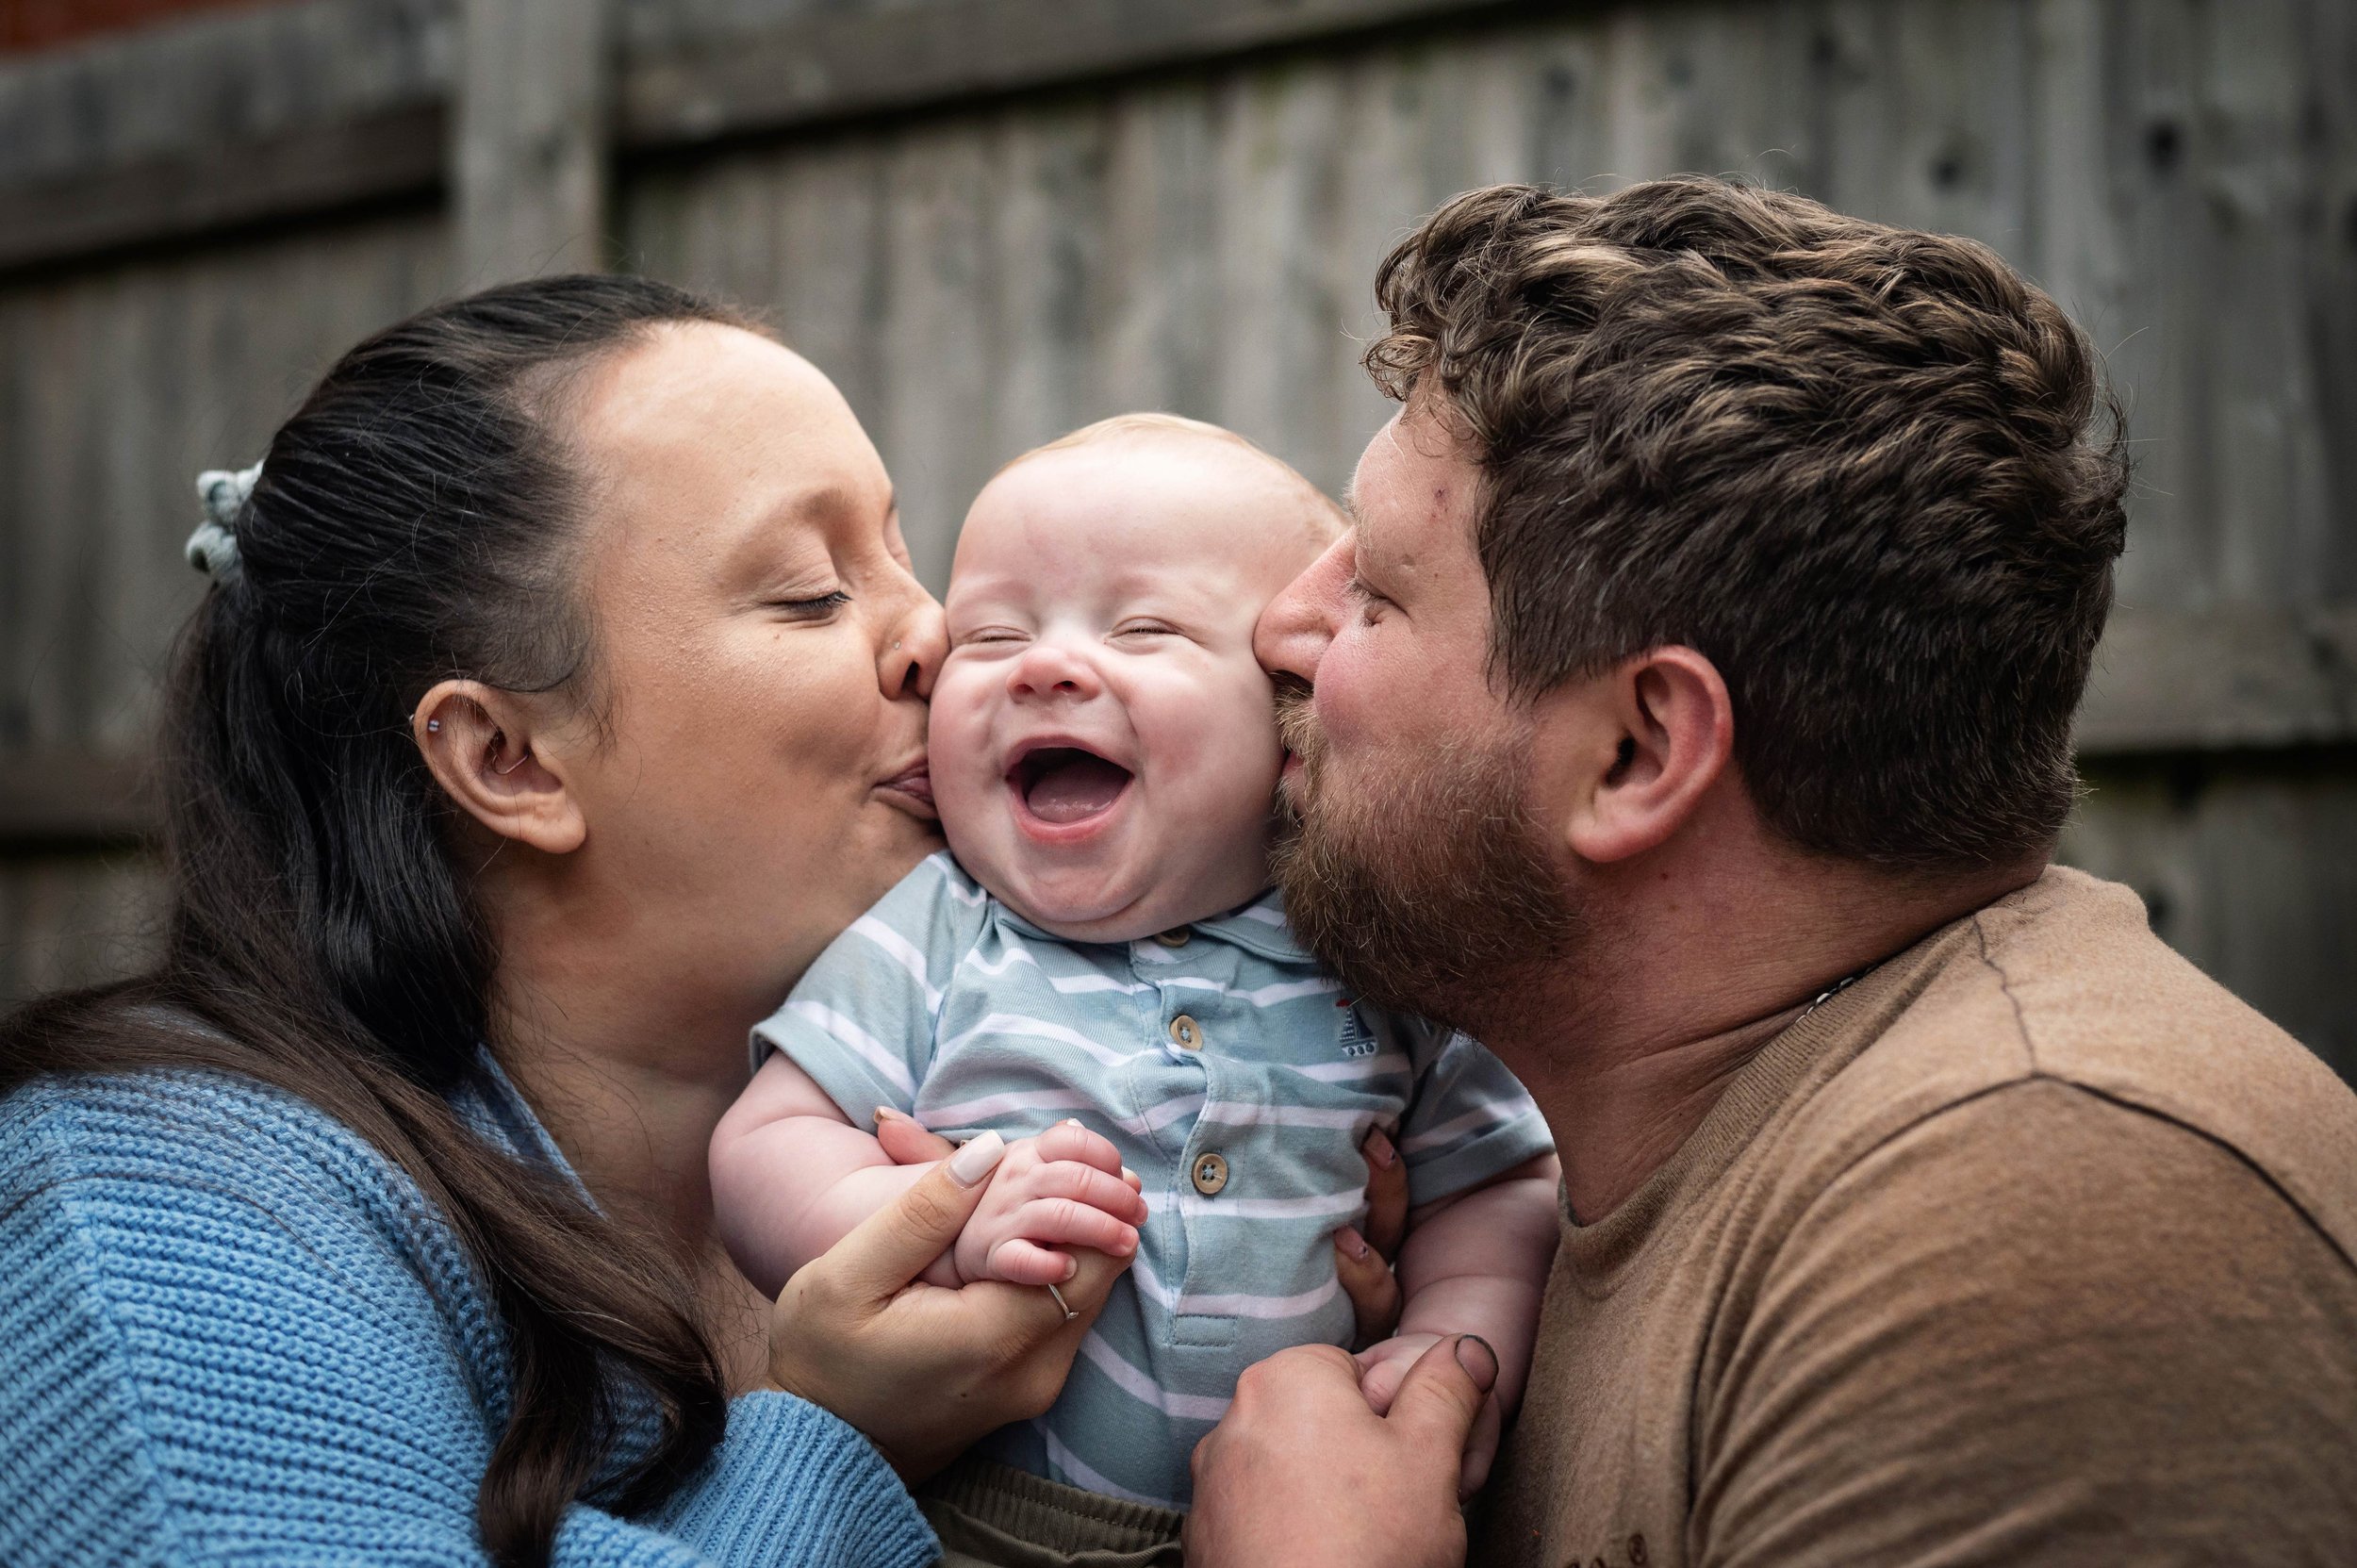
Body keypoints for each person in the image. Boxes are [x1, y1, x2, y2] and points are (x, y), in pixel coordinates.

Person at [0, 278, 1408, 1568]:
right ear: (510, 758)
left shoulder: (1008, 1069)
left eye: (914, 563)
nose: (941, 641)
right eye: (810, 590)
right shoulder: (158, 1232)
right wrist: (826, 1434)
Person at [1184, 178, 2357, 1567]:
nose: (1279, 626)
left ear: (1636, 752)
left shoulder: (2033, 1210)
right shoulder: (1636, 1162)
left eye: (1375, 591)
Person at [709, 413, 1559, 1556]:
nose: (1047, 664)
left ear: (1290, 716)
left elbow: (1494, 1186)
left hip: (1312, 1499)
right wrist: (918, 1229)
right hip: (970, 1517)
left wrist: (1454, 1340)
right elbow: (769, 1138)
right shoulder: (943, 930)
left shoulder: (1370, 950)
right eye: (991, 631)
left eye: (1145, 629)